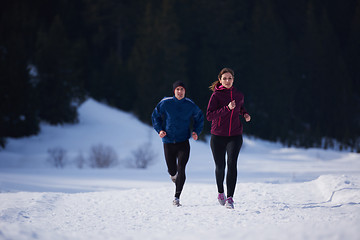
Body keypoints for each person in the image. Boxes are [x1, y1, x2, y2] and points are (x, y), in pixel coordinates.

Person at [152, 81, 204, 206]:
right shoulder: (165, 102)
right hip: (168, 141)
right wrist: (160, 130)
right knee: (172, 170)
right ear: (174, 91)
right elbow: (155, 116)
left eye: (182, 89)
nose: (180, 92)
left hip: (183, 142)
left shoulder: (190, 105)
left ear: (185, 91)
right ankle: (173, 176)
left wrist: (196, 131)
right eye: (178, 89)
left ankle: (177, 197)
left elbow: (199, 117)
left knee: (181, 168)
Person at [206, 68, 251, 209]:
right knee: (220, 166)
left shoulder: (238, 95)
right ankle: (220, 192)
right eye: (224, 78)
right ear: (220, 80)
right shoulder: (216, 96)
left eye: (229, 78)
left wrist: (245, 114)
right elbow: (209, 116)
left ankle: (230, 198)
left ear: (233, 79)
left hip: (235, 135)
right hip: (218, 136)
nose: (227, 81)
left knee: (232, 164)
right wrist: (227, 108)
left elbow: (241, 107)